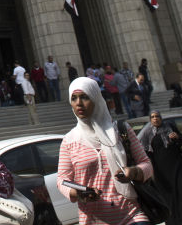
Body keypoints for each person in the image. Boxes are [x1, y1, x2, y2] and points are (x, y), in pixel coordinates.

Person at [57, 77, 153, 224]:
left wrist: (134, 172)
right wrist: (79, 192)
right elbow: (62, 180)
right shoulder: (69, 141)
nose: (78, 103)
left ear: (96, 99)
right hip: (93, 219)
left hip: (131, 214)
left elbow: (146, 164)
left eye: (84, 97)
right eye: (74, 98)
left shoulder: (120, 130)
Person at [138, 111, 182, 225]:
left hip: (177, 166)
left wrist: (177, 138)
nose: (155, 119)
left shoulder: (170, 128)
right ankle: (172, 219)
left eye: (157, 116)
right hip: (160, 170)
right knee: (167, 195)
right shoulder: (147, 134)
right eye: (153, 117)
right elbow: (146, 153)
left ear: (161, 118)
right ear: (150, 119)